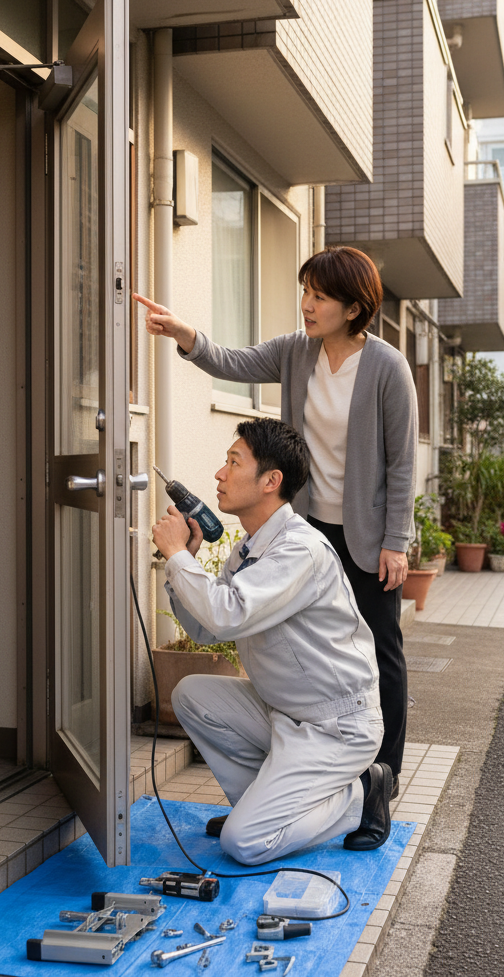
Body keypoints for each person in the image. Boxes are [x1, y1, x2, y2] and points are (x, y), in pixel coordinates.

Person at [134, 246, 416, 791]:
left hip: (368, 535)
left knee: (382, 651)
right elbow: (233, 362)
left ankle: (383, 776)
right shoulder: (295, 351)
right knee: (300, 644)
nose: (307, 305)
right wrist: (182, 332)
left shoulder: (387, 366)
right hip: (307, 526)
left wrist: (396, 540)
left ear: (354, 308)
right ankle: (299, 760)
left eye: (320, 296)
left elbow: (401, 460)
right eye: (305, 292)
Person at [152, 418, 391, 866]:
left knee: (243, 844)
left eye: (233, 462)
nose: (220, 474)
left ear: (271, 481)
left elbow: (227, 614)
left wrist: (178, 556)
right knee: (191, 695)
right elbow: (206, 629)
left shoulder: (298, 550)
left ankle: (363, 793)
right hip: (283, 711)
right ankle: (259, 810)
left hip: (335, 726)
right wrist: (187, 565)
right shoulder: (249, 549)